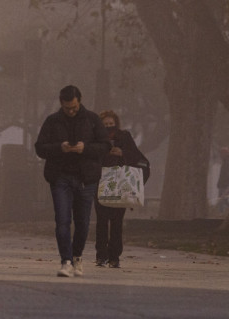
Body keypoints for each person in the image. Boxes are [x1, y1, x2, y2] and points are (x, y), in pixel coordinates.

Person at [35, 85, 109, 277]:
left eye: (74, 107)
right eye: (68, 108)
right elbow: (40, 148)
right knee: (62, 220)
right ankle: (65, 260)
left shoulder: (92, 120)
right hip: (61, 177)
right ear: (61, 103)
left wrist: (85, 148)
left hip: (86, 178)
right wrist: (60, 148)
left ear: (80, 101)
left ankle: (77, 256)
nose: (71, 111)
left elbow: (105, 145)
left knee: (83, 222)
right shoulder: (52, 121)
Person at [95, 110, 149, 269]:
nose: (108, 128)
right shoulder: (96, 139)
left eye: (111, 124)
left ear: (116, 124)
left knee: (117, 222)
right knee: (102, 222)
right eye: (105, 125)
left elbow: (137, 156)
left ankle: (114, 256)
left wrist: (122, 153)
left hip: (121, 185)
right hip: (101, 183)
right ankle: (101, 255)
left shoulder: (124, 137)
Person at [216, 147, 229, 215]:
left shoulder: (227, 163)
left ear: (225, 154)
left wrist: (223, 184)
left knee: (222, 201)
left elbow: (227, 176)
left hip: (225, 186)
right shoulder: (226, 162)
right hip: (224, 185)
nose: (220, 155)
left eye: (221, 153)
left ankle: (221, 214)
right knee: (225, 201)